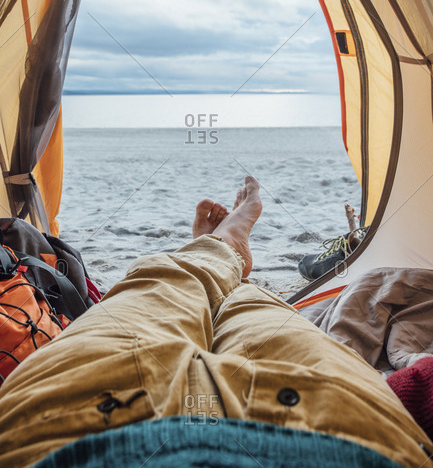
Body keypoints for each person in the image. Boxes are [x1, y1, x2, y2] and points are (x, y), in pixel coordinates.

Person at [0, 177, 431, 468]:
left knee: (159, 286)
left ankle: (221, 250)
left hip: (64, 435)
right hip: (340, 434)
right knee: (258, 311)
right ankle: (233, 262)